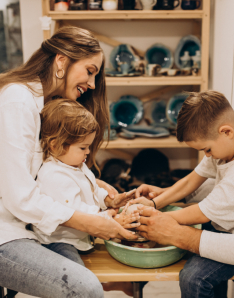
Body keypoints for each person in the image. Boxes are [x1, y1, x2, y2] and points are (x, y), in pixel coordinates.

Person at [0, 26, 137, 298]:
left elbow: (36, 171)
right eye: (90, 71)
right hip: (6, 232)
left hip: (27, 226)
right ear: (61, 61)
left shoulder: (45, 105)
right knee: (85, 289)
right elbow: (19, 197)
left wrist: (92, 183)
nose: (93, 84)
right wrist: (91, 223)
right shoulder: (18, 101)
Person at [135, 73, 234, 297]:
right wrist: (156, 202)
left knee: (194, 278)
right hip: (233, 227)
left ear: (226, 132)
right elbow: (193, 181)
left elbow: (204, 212)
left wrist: (155, 219)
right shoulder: (232, 149)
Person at [33, 98, 140, 250]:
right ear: (56, 145)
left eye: (88, 147)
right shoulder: (54, 176)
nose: (88, 152)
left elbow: (91, 190)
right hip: (59, 241)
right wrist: (112, 219)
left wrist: (109, 201)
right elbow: (78, 211)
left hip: (80, 237)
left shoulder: (76, 165)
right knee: (73, 269)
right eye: (83, 148)